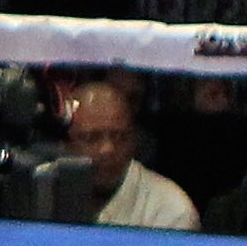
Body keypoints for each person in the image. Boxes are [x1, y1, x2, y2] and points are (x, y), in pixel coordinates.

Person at [68, 78, 197, 231]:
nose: (108, 149)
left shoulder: (170, 209)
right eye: (92, 138)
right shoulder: (41, 189)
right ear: (64, 142)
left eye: (120, 136)